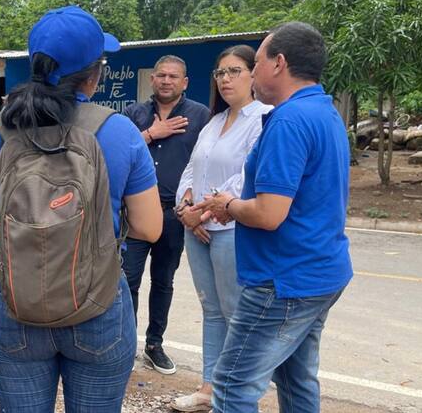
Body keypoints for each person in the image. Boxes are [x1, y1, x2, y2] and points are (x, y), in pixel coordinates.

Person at [0, 5, 162, 411]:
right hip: (98, 305)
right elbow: (148, 228)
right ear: (95, 72)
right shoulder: (118, 130)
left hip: (17, 303)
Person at [192, 22, 353, 413]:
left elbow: (268, 214)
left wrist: (227, 206)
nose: (253, 70)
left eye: (257, 61)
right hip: (319, 273)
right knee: (296, 381)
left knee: (231, 385)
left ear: (279, 63)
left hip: (282, 281)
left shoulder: (288, 121)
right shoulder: (323, 111)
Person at [170, 45, 272, 412]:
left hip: (230, 231)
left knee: (235, 312)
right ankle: (209, 388)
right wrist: (185, 209)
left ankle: (236, 394)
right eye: (220, 73)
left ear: (252, 75)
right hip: (197, 229)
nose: (226, 79)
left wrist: (205, 214)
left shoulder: (264, 118)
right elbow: (191, 170)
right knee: (211, 310)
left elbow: (246, 177)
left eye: (235, 71)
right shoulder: (215, 121)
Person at [121, 54, 210, 374]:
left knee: (163, 281)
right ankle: (124, 344)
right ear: (152, 79)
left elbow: (207, 165)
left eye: (174, 76)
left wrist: (198, 209)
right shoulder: (133, 114)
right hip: (134, 212)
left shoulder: (201, 116)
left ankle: (154, 344)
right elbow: (119, 154)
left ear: (184, 82)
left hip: (174, 213)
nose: (167, 81)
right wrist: (150, 134)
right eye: (161, 75)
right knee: (127, 280)